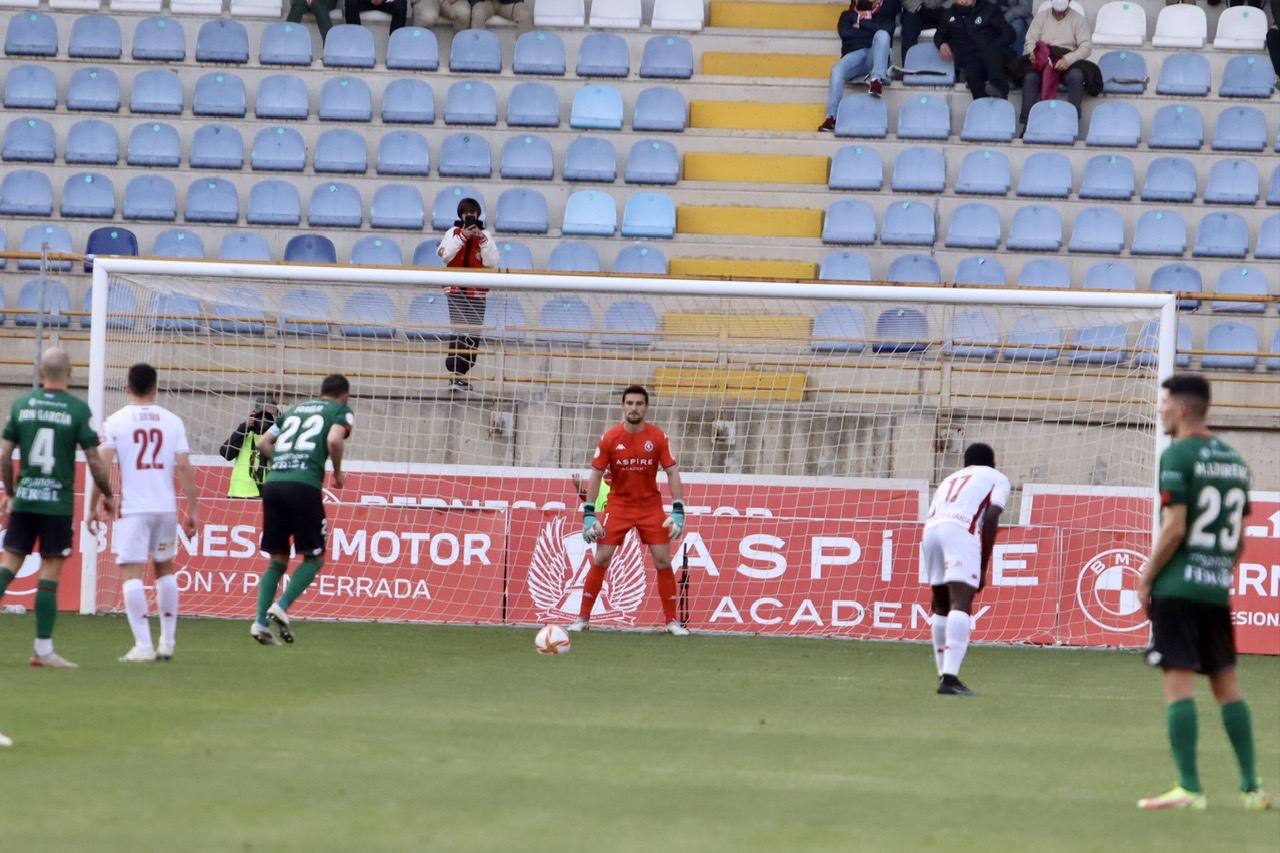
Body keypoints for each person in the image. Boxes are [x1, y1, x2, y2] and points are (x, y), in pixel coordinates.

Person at [1136, 375, 1272, 812]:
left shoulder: (1177, 454)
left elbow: (1175, 527)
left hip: (1178, 588)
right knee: (1227, 685)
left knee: (1178, 687)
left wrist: (1147, 577)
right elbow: (1240, 540)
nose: (1160, 409)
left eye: (1164, 402)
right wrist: (1218, 575)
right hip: (1214, 589)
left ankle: (1189, 788)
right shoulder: (1234, 460)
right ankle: (1251, 788)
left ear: (1181, 408)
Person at [0, 347, 115, 668]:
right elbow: (94, 460)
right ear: (71, 374)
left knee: (8, 566)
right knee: (50, 573)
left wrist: (10, 492)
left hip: (25, 499)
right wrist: (108, 494)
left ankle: (44, 651)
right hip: (57, 506)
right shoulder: (77, 410)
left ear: (40, 373)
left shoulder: (21, 405)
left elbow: (4, 456)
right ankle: (43, 650)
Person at [91, 363, 199, 663]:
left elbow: (102, 465)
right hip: (165, 508)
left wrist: (94, 504)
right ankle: (168, 642)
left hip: (135, 509)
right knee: (165, 569)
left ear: (128, 387)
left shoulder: (115, 421)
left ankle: (143, 645)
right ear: (155, 388)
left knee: (131, 573)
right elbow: (184, 466)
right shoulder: (173, 421)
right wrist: (193, 509)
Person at [571, 385, 688, 636]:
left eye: (639, 403)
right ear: (623, 406)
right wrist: (589, 512)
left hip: (650, 507)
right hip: (618, 506)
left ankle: (671, 622)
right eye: (630, 403)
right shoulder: (610, 438)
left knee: (663, 560)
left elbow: (672, 471)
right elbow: (596, 474)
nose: (634, 408)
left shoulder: (658, 437)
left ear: (646, 407)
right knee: (601, 558)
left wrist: (678, 508)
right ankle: (582, 618)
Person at [250, 375, 354, 646]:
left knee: (277, 560)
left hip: (274, 485)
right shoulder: (340, 411)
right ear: (345, 396)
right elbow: (334, 440)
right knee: (314, 558)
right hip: (303, 486)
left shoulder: (294, 410)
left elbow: (263, 443)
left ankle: (260, 622)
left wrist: (285, 462)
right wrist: (338, 472)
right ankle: (282, 605)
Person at [921, 442, 1009, 696]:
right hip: (959, 530)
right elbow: (991, 516)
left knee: (940, 604)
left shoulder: (950, 478)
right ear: (992, 462)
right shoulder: (997, 477)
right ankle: (950, 677)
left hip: (931, 531)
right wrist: (982, 566)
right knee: (961, 600)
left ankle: (943, 673)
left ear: (965, 463)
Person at [437, 197, 498, 391]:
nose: (470, 217)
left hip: (476, 291)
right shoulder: (452, 232)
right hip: (456, 290)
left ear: (478, 215)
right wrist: (462, 236)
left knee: (473, 333)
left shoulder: (485, 235)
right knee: (459, 330)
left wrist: (481, 240)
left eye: (473, 214)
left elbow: (491, 261)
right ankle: (455, 373)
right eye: (466, 214)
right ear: (461, 215)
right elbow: (444, 254)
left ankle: (461, 374)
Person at [818, 0, 899, 132]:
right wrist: (870, 29)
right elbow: (845, 33)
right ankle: (831, 117)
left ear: (876, 4)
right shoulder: (847, 15)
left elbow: (888, 31)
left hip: (873, 55)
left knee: (882, 35)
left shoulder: (883, 17)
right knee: (837, 70)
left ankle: (876, 80)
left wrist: (860, 24)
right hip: (854, 57)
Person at [1016, 0, 1096, 131]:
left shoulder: (1078, 19)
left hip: (1066, 59)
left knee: (1076, 76)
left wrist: (1068, 59)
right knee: (1030, 78)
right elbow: (1030, 41)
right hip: (1043, 59)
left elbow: (1086, 46)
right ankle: (1027, 124)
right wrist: (1034, 54)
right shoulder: (1041, 17)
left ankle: (1073, 123)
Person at [935, 0, 1014, 99]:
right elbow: (939, 35)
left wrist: (992, 47)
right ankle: (980, 104)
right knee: (972, 71)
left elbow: (1009, 34)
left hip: (992, 58)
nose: (963, 1)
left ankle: (998, 89)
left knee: (990, 55)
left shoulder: (989, 10)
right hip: (969, 59)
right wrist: (942, 44)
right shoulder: (948, 14)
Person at [219, 396, 277, 499]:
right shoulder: (245, 432)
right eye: (264, 415)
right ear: (255, 414)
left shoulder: (278, 435)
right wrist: (244, 428)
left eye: (272, 415)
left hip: (270, 494)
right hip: (242, 494)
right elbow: (226, 453)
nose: (267, 419)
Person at [899, 0, 954, 65]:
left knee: (954, 24)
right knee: (909, 29)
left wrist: (947, 8)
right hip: (915, 9)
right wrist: (919, 7)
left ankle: (955, 67)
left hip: (945, 9)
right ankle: (908, 67)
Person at [440, 0, 531, 28]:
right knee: (478, 14)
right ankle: (476, 55)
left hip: (507, 3)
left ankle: (525, 56)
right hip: (485, 3)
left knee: (524, 14)